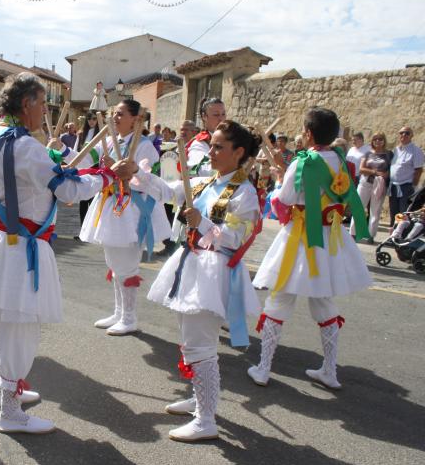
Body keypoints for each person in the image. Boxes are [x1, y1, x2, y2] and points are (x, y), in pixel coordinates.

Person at [0, 72, 136, 433]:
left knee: (5, 323)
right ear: (26, 103)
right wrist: (109, 176)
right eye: (43, 103)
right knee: (20, 327)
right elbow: (68, 191)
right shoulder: (24, 146)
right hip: (19, 247)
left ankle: (5, 392)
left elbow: (34, 178)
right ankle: (11, 413)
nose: (46, 110)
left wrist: (59, 163)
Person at [145, 120, 262, 441]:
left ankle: (205, 418)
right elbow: (167, 190)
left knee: (202, 344)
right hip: (193, 265)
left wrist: (203, 222)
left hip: (215, 272)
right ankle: (199, 399)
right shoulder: (205, 181)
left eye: (218, 147)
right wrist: (140, 175)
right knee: (189, 338)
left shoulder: (245, 192)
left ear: (238, 152)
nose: (210, 152)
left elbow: (235, 239)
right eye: (211, 145)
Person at [251, 107, 372, 390]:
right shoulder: (341, 160)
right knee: (324, 301)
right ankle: (329, 370)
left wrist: (280, 178)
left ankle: (264, 368)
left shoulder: (303, 161)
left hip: (301, 237)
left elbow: (285, 199)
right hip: (331, 240)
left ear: (307, 133)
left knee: (279, 298)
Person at [68, 99, 170, 336]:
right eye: (114, 113)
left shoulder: (144, 146)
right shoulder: (112, 141)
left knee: (126, 264)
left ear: (136, 119)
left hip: (132, 210)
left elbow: (148, 181)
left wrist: (124, 170)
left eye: (121, 114)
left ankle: (129, 317)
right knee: (114, 262)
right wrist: (61, 150)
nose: (115, 117)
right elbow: (84, 159)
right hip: (112, 205)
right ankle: (118, 312)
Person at [350, 132, 390, 242]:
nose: (378, 141)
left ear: (384, 141)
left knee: (375, 211)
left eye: (380, 139)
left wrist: (385, 175)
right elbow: (361, 169)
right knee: (359, 208)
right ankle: (353, 233)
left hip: (379, 184)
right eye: (375, 139)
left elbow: (390, 169)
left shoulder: (389, 154)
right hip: (365, 183)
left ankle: (371, 235)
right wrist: (375, 172)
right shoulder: (368, 153)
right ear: (372, 141)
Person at [389, 126, 424, 227]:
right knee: (394, 212)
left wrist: (413, 186)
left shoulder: (416, 151)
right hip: (394, 186)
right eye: (401, 133)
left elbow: (419, 170)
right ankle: (393, 233)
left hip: (406, 186)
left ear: (412, 135)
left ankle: (402, 234)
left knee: (403, 213)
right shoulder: (396, 150)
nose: (404, 135)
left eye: (407, 133)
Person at [75, 114, 101, 230]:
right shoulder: (81, 134)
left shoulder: (101, 134)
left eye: (94, 119)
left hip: (96, 168)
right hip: (83, 169)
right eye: (89, 118)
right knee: (83, 199)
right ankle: (82, 229)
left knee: (94, 200)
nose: (91, 121)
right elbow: (76, 150)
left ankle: (92, 229)